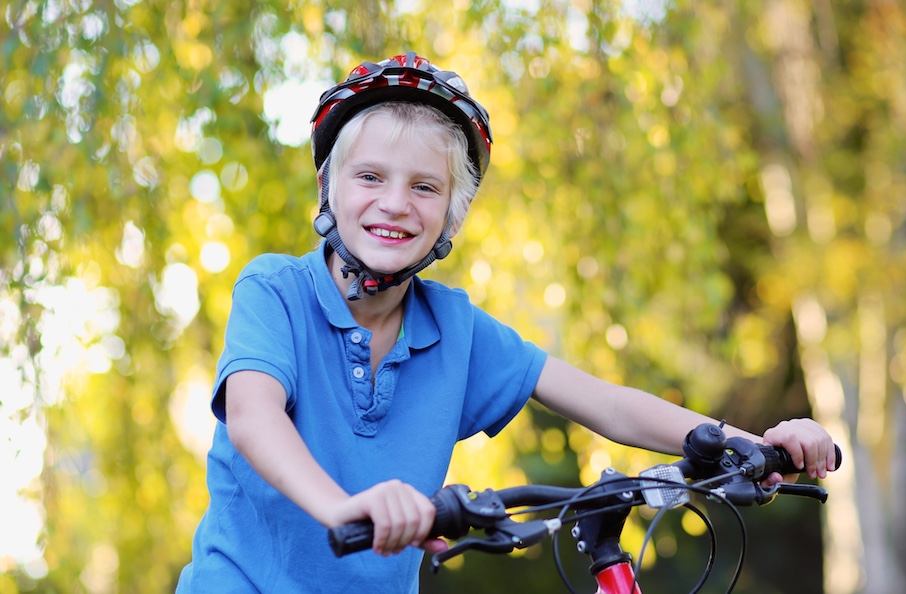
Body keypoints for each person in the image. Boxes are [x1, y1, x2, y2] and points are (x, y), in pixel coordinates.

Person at [176, 52, 838, 593]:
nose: (395, 203)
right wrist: (343, 509)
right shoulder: (275, 291)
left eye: (425, 187)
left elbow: (608, 404)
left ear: (453, 218)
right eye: (370, 177)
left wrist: (751, 443)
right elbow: (254, 417)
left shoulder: (454, 331)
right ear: (327, 189)